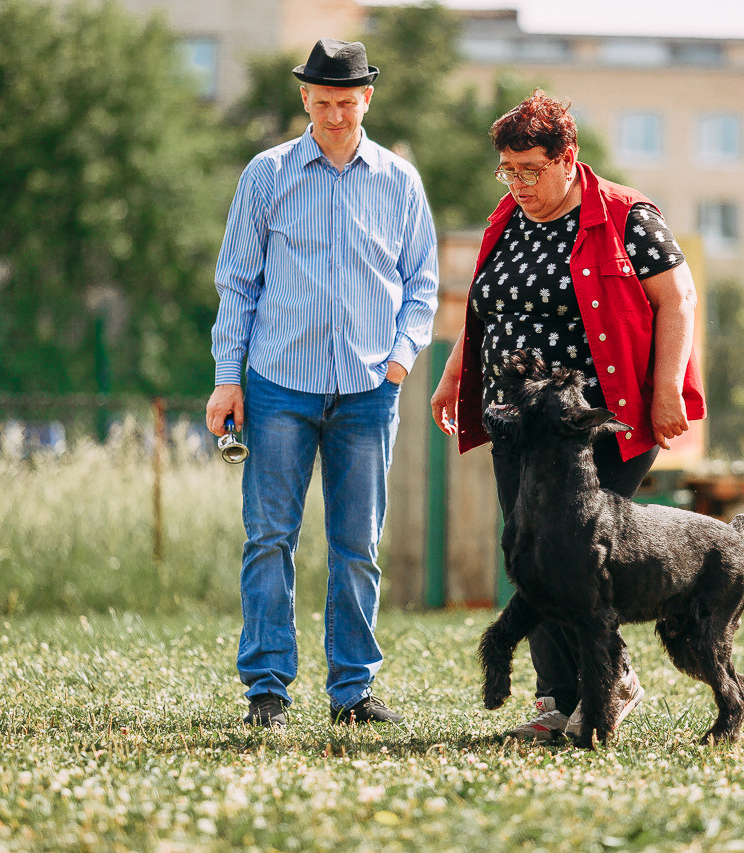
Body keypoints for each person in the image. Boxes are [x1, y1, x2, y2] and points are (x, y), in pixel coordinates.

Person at [430, 89, 704, 743]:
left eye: (531, 169)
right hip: (515, 423)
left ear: (568, 157)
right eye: (508, 169)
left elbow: (679, 296)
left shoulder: (626, 215)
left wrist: (667, 386)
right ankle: (559, 700)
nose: (519, 183)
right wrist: (452, 377)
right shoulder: (506, 218)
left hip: (595, 426)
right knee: (531, 555)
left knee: (574, 557)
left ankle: (607, 687)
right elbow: (487, 309)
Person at [206, 38, 438, 728]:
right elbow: (237, 283)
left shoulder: (400, 180)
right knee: (269, 537)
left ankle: (353, 692)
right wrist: (227, 380)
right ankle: (267, 689)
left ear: (367, 98)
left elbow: (421, 285)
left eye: (348, 101)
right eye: (324, 101)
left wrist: (398, 361)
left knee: (357, 545)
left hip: (370, 391)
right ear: (304, 98)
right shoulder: (266, 174)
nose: (336, 115)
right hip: (278, 385)